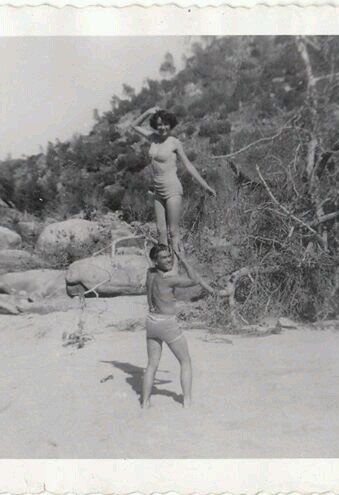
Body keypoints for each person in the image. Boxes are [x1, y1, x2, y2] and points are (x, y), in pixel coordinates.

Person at [131, 106, 216, 256]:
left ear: (170, 124)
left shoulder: (174, 142)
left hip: (172, 188)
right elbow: (134, 126)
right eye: (159, 124)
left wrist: (205, 186)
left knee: (173, 231)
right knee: (160, 231)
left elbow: (188, 165)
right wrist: (147, 112)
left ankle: (177, 266)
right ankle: (164, 266)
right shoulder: (152, 138)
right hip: (158, 189)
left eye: (165, 124)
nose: (162, 127)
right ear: (155, 125)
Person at [142, 243, 215, 409]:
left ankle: (145, 402)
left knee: (152, 364)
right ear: (155, 260)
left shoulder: (150, 273)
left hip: (151, 321)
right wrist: (182, 258)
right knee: (185, 360)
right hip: (166, 323)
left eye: (169, 257)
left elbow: (163, 269)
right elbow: (195, 280)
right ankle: (187, 401)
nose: (168, 260)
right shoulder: (169, 279)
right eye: (164, 258)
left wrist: (168, 258)